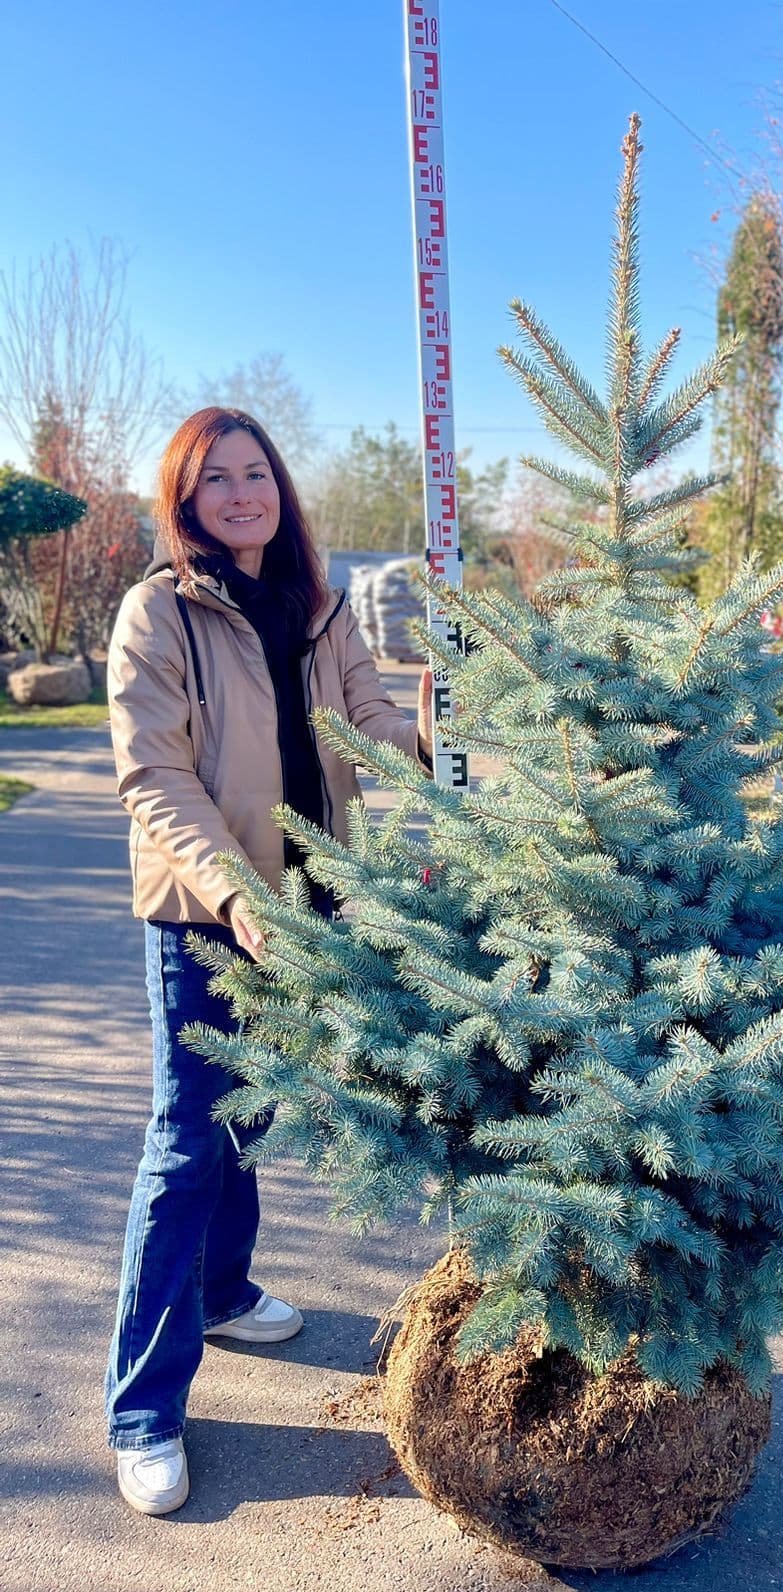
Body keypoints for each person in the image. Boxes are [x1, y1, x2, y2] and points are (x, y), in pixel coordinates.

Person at [104, 407, 434, 1516]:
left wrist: (438, 738)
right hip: (210, 913)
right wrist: (237, 889)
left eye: (259, 475)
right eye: (218, 480)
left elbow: (367, 724)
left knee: (254, 1112)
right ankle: (144, 1409)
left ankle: (224, 1291)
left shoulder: (319, 606)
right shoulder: (161, 613)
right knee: (189, 1139)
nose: (243, 494)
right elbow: (155, 778)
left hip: (313, 902)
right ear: (186, 498)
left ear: (281, 489)